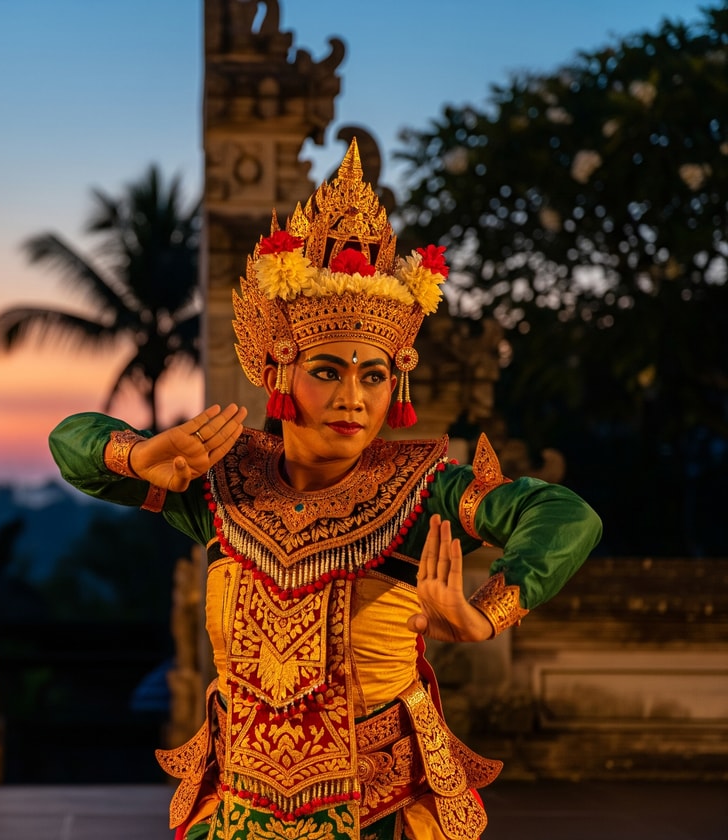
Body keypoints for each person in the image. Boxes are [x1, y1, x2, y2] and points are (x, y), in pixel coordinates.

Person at [48, 139, 601, 840]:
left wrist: (485, 615)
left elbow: (564, 514)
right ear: (281, 370)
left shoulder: (423, 489)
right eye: (329, 371)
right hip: (241, 805)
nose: (354, 398)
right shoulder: (222, 485)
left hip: (376, 805)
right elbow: (70, 443)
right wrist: (138, 454)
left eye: (374, 375)